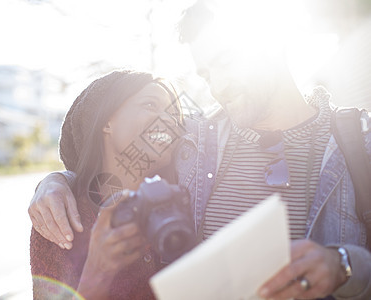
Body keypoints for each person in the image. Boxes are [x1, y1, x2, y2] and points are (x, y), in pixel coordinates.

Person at [29, 1, 371, 299]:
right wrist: (58, 182)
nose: (218, 85)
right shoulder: (191, 137)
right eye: (207, 74)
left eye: (226, 61)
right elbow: (112, 159)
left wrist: (343, 265)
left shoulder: (360, 146)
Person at [30, 70, 185, 299]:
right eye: (151, 105)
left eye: (174, 114)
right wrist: (98, 270)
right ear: (106, 122)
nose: (170, 121)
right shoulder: (61, 218)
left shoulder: (184, 202)